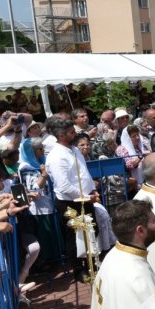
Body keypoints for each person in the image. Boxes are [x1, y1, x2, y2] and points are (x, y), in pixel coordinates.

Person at [45, 116, 99, 282]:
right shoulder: (56, 156)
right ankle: (78, 270)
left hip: (86, 198)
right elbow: (64, 187)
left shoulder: (74, 149)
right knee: (74, 238)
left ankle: (92, 264)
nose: (74, 134)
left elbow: (83, 173)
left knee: (91, 232)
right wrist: (86, 197)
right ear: (61, 135)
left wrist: (93, 190)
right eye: (70, 132)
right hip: (70, 203)